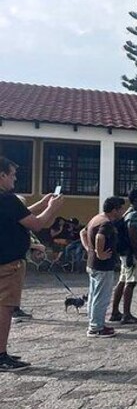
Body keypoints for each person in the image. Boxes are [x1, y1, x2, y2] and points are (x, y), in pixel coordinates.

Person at [0, 156, 65, 371]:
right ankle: (1, 354)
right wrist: (53, 208)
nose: (15, 179)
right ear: (2, 176)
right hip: (8, 264)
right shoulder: (7, 199)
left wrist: (42, 204)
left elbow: (23, 213)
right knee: (5, 308)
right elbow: (36, 224)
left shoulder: (8, 201)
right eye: (12, 175)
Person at [80, 196, 125, 338]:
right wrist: (99, 253)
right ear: (114, 210)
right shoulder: (106, 223)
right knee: (101, 297)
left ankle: (94, 322)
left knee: (94, 295)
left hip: (93, 264)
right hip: (103, 266)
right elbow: (100, 237)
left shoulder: (96, 218)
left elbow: (83, 232)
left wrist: (89, 249)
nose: (122, 212)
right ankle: (96, 327)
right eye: (120, 209)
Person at [109, 188, 137, 325]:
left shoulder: (128, 213)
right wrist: (136, 251)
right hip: (131, 253)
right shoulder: (134, 215)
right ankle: (126, 315)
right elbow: (132, 231)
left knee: (123, 281)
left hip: (125, 253)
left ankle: (115, 312)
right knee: (130, 282)